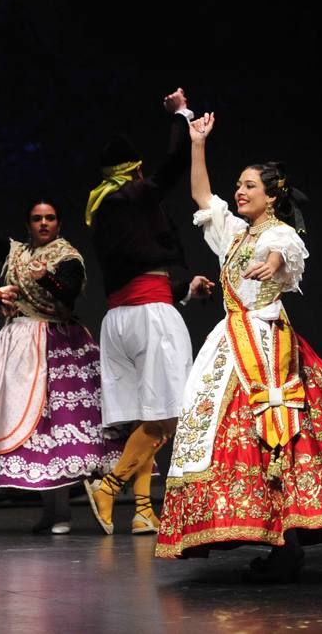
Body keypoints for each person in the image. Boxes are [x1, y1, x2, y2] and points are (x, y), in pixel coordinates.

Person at [156, 112, 322, 580]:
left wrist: (273, 262)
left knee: (278, 434)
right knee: (226, 435)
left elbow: (288, 251)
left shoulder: (278, 233)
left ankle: (288, 538)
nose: (240, 192)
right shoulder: (234, 234)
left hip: (266, 343)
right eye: (238, 185)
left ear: (273, 194)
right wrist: (197, 143)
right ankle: (274, 536)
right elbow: (202, 196)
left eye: (250, 186)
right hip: (231, 339)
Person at [83, 88, 203, 536]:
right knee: (166, 415)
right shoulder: (132, 196)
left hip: (118, 319)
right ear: (133, 170)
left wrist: (183, 289)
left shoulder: (100, 205)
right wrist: (181, 116)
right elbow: (171, 168)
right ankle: (110, 486)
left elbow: (133, 267)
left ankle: (142, 509)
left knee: (147, 415)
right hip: (150, 315)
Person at [0, 200, 121, 534]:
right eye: (36, 219)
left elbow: (69, 293)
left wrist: (47, 279)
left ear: (58, 222)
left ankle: (62, 512)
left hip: (57, 342)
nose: (43, 223)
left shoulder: (67, 256)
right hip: (17, 341)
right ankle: (51, 510)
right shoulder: (16, 251)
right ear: (28, 223)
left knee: (57, 424)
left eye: (50, 218)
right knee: (32, 428)